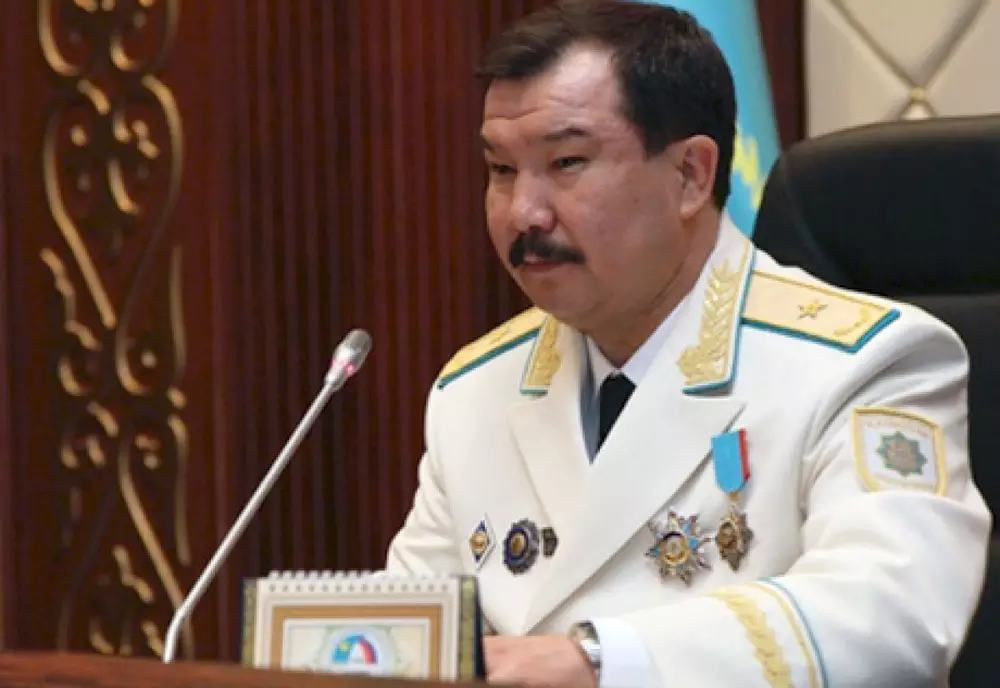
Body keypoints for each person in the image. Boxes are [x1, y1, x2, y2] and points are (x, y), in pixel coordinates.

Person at [383, 1, 992, 686]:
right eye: (501, 170)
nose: (523, 212)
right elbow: (405, 643)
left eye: (567, 162)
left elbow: (889, 616)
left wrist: (600, 661)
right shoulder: (473, 392)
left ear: (691, 176)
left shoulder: (866, 365)